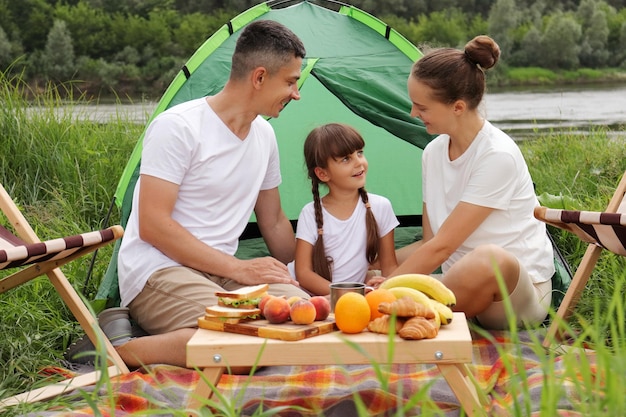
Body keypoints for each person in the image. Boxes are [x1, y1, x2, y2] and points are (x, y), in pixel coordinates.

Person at [112, 20, 310, 368]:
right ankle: (114, 352)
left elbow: (275, 220)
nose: (297, 94)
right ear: (259, 77)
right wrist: (240, 268)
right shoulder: (179, 127)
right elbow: (153, 226)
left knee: (304, 319)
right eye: (291, 82)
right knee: (238, 343)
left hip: (221, 271)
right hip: (159, 269)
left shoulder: (264, 136)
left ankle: (185, 341)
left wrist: (306, 271)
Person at [391, 35, 555, 330]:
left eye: (422, 107)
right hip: (458, 290)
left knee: (489, 260)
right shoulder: (433, 153)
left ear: (457, 107)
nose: (413, 114)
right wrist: (374, 264)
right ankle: (398, 310)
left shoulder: (497, 155)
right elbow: (429, 243)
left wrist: (386, 290)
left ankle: (390, 310)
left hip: (514, 297)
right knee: (376, 270)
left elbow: (442, 247)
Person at [289, 123, 399, 296]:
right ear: (323, 174)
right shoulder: (310, 213)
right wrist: (343, 294)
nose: (359, 163)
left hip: (352, 294)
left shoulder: (381, 207)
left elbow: (390, 266)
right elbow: (303, 274)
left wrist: (385, 284)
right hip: (307, 292)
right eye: (346, 159)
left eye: (360, 153)